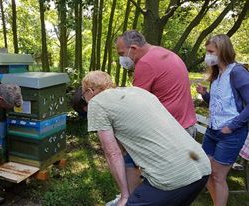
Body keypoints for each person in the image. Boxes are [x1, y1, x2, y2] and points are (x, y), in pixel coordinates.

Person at [82, 71, 211, 206]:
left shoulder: (97, 102)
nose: (85, 99)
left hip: (171, 177)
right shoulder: (138, 91)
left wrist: (125, 196)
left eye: (84, 95)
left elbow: (112, 153)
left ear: (90, 91)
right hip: (201, 166)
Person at [196, 34, 249, 206]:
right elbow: (220, 105)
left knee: (218, 176)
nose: (207, 55)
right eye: (207, 51)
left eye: (211, 51)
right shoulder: (217, 74)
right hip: (212, 131)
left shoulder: (237, 72)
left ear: (222, 51)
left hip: (230, 134)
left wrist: (232, 126)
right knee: (206, 172)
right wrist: (205, 95)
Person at [115, 30, 197, 137]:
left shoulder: (145, 63)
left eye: (122, 54)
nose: (121, 59)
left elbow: (136, 104)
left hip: (173, 132)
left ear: (134, 48)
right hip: (187, 125)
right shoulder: (161, 52)